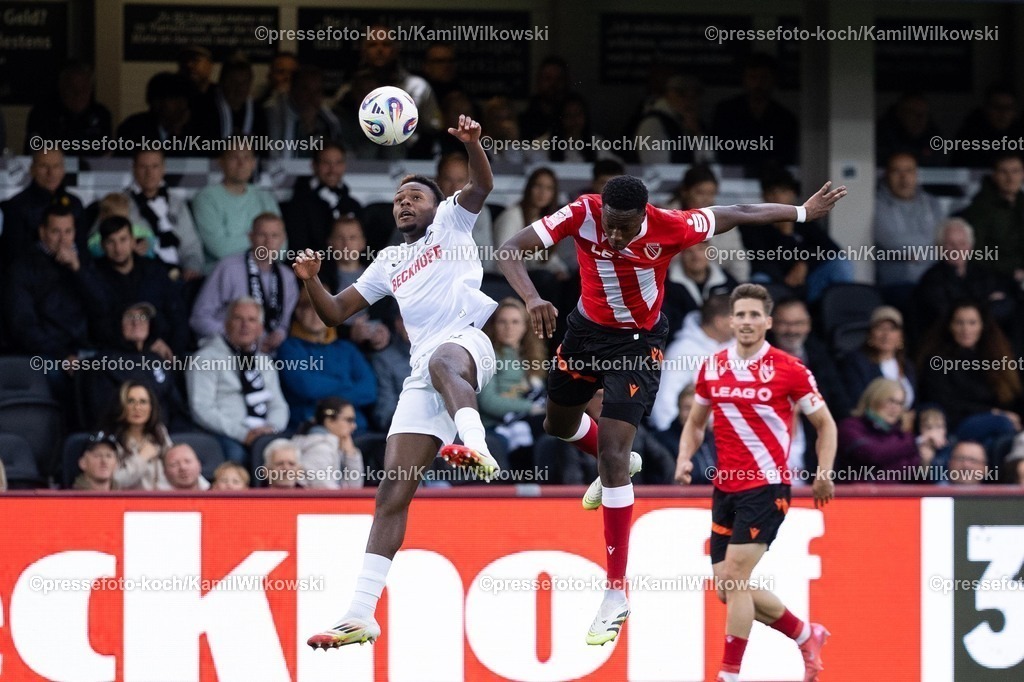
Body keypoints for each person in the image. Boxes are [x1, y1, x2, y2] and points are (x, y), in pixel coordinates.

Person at [497, 172, 846, 645]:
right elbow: (510, 250)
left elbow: (738, 213)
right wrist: (533, 296)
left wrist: (802, 212)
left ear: (644, 214)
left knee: (615, 455)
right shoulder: (583, 212)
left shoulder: (673, 225)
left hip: (639, 343)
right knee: (558, 425)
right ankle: (611, 459)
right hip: (583, 331)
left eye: (625, 227)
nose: (615, 236)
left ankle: (615, 591)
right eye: (610, 226)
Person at [301, 115, 500, 649]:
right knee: (392, 490)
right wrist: (312, 279)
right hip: (422, 374)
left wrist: (474, 144)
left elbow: (481, 185)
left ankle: (475, 444)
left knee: (440, 360)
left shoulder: (452, 224)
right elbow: (336, 314)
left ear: (436, 205)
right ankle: (360, 614)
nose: (404, 203)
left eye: (415, 196)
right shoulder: (389, 260)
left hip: (467, 345)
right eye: (398, 199)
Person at [675, 284, 836, 682]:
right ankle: (805, 634)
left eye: (754, 315)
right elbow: (696, 423)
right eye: (740, 315)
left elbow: (825, 424)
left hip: (767, 487)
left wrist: (824, 472)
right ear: (731, 320)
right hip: (725, 489)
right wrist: (683, 458)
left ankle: (729, 675)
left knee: (734, 579)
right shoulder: (712, 366)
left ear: (767, 322)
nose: (746, 322)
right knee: (728, 589)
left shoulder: (790, 369)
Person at [186, 297, 290, 465]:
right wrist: (243, 434)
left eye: (251, 320)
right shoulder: (205, 358)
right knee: (238, 457)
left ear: (260, 328)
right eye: (238, 318)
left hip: (264, 433)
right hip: (225, 434)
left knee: (288, 457)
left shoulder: (265, 361)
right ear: (226, 324)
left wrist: (271, 429)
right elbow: (201, 409)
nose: (245, 325)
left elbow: (279, 405)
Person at [741, 168, 853, 302]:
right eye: (772, 193)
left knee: (840, 264)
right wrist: (785, 235)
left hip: (807, 283)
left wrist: (804, 264)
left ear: (793, 194)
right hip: (775, 284)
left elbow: (831, 249)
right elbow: (762, 262)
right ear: (764, 197)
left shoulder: (804, 220)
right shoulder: (754, 224)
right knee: (759, 280)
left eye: (783, 192)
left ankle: (839, 313)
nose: (777, 197)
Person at [917, 300, 1022, 443]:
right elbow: (946, 402)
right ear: (950, 326)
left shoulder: (994, 357)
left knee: (1000, 438)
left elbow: (1010, 396)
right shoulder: (937, 360)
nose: (966, 329)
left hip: (995, 422)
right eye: (959, 323)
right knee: (1003, 424)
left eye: (972, 323)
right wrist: (995, 413)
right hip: (958, 422)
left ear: (982, 326)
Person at [190, 213, 298, 351]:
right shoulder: (228, 268)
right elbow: (198, 319)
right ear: (250, 237)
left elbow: (283, 324)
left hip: (270, 355)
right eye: (262, 235)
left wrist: (278, 335)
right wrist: (241, 336)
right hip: (226, 350)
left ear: (283, 239)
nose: (268, 242)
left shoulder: (287, 277)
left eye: (274, 236)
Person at [278, 293, 377, 433]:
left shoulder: (347, 348)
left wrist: (324, 396)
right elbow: (308, 387)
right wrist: (346, 383)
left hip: (356, 428)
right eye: (309, 308)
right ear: (298, 313)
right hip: (312, 427)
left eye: (322, 309)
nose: (316, 314)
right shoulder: (289, 348)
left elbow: (369, 391)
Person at [192, 147, 281, 273]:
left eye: (246, 157)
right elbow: (220, 249)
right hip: (223, 274)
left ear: (254, 163)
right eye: (234, 157)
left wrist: (256, 243)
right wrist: (264, 243)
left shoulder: (266, 198)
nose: (241, 163)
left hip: (266, 273)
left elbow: (282, 248)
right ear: (221, 162)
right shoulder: (206, 198)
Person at [872, 152, 944, 298]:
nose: (903, 178)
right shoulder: (876, 204)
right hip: (897, 285)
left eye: (909, 171)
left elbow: (943, 240)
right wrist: (932, 250)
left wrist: (918, 254)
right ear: (886, 175)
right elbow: (894, 243)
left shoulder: (932, 203)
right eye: (896, 171)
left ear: (916, 174)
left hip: (935, 281)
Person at [836, 378, 937, 481]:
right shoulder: (850, 427)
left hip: (894, 496)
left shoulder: (902, 436)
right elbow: (873, 454)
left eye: (900, 404)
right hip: (855, 496)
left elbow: (911, 474)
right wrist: (914, 442)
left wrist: (924, 463)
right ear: (874, 398)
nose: (895, 408)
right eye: (891, 401)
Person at [125, 148, 204, 278]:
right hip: (139, 277)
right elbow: (98, 242)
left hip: (178, 277)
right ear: (133, 169)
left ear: (164, 169)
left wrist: (192, 268)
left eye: (155, 166)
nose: (149, 173)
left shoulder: (177, 204)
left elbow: (191, 246)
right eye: (143, 167)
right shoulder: (120, 203)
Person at [281, 143, 363, 254]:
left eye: (338, 163)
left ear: (344, 166)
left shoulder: (354, 206)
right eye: (326, 163)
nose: (332, 169)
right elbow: (297, 250)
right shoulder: (298, 206)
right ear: (314, 165)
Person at [956, 153, 1024, 282]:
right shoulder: (980, 209)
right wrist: (1012, 271)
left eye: (1015, 171)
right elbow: (976, 254)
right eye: (1004, 172)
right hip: (993, 280)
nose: (1010, 178)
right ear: (995, 176)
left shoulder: (1021, 204)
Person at [24, 61, 112, 156]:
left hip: (93, 169)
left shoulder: (101, 115)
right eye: (72, 89)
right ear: (62, 88)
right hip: (52, 168)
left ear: (91, 89)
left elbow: (106, 155)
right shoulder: (42, 114)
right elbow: (34, 151)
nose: (78, 94)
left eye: (84, 88)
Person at [840, 306, 916, 412]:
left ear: (901, 336)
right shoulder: (856, 362)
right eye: (880, 328)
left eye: (892, 329)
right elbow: (857, 402)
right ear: (870, 334)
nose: (886, 335)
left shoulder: (907, 366)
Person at [105, 381, 174, 491]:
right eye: (131, 401)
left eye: (143, 402)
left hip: (165, 500)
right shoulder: (110, 439)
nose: (137, 407)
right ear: (121, 405)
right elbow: (115, 481)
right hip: (129, 503)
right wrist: (142, 458)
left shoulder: (159, 431)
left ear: (151, 407)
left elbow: (175, 464)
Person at [291, 397, 366, 489]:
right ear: (329, 421)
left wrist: (351, 456)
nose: (354, 426)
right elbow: (325, 493)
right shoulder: (320, 449)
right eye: (349, 420)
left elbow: (354, 489)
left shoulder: (333, 445)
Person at [115, 72, 194, 155]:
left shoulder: (200, 131)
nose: (164, 104)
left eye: (172, 98)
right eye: (159, 99)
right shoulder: (132, 127)